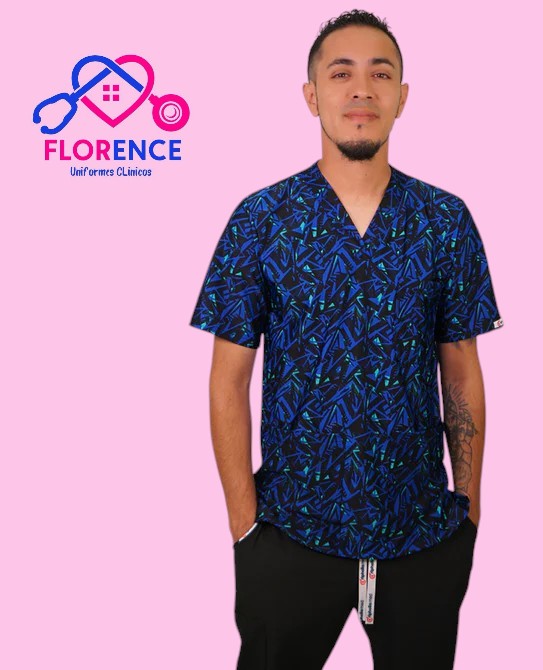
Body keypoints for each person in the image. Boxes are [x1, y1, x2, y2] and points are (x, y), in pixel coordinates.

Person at [189, 9, 504, 670]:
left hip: (422, 534)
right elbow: (228, 379)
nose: (362, 89)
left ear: (402, 97)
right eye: (341, 73)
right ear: (312, 96)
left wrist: (467, 513)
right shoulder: (262, 218)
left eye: (380, 74)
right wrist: (245, 527)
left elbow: (461, 370)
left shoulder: (444, 220)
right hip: (291, 531)